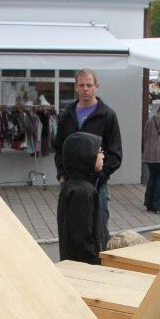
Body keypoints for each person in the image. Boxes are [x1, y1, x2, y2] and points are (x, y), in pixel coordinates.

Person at [53, 70, 122, 240]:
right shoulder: (67, 114)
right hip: (70, 184)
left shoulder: (107, 115)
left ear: (96, 87)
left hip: (97, 186)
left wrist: (100, 177)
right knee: (71, 231)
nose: (85, 89)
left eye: (89, 85)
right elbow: (59, 148)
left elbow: (115, 154)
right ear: (76, 87)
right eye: (81, 85)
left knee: (98, 234)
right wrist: (62, 174)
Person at [57, 132, 107, 264]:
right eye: (99, 152)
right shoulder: (82, 192)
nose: (103, 156)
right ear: (85, 156)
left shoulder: (74, 186)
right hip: (84, 268)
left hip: (75, 264)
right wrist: (95, 264)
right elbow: (82, 237)